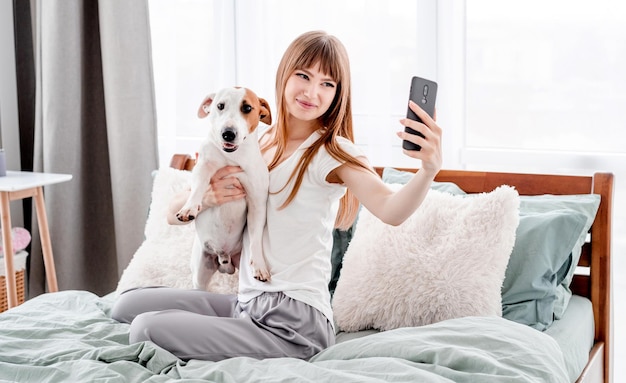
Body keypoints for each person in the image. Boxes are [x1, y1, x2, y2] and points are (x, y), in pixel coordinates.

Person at [111, 30, 442, 362]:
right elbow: (174, 212)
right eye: (304, 75)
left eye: (328, 84)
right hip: (248, 304)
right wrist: (208, 196)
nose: (313, 91)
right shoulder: (255, 139)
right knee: (126, 305)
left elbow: (390, 209)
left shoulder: (333, 152)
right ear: (285, 74)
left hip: (295, 322)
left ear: (339, 94)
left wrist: (428, 170)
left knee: (146, 329)